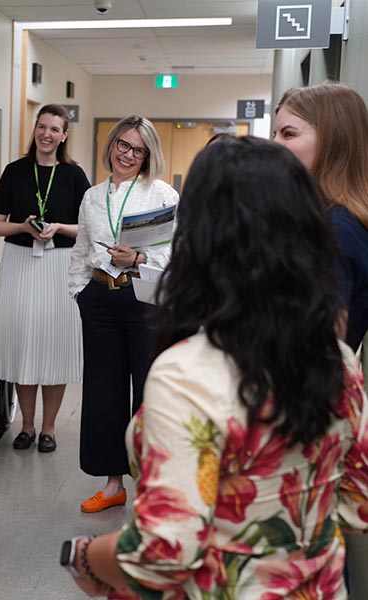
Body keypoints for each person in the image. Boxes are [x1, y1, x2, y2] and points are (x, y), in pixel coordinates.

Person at [65, 136, 368, 599]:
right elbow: (358, 505)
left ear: (201, 236)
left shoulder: (186, 375)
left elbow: (162, 556)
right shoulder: (337, 360)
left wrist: (84, 555)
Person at [67, 115, 178, 513]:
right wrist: (79, 292)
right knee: (104, 393)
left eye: (138, 151)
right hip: (99, 300)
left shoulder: (162, 194)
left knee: (149, 394)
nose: (128, 155)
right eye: (123, 145)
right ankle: (113, 483)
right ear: (112, 144)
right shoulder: (93, 197)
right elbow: (81, 249)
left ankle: (150, 488)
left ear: (148, 156)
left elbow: (176, 252)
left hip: (144, 299)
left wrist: (140, 258)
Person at [0, 104, 91, 453]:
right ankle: (27, 426)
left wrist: (58, 227)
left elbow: (89, 229)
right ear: (35, 129)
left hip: (60, 264)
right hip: (20, 263)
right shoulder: (15, 171)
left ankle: (49, 428)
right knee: (24, 344)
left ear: (64, 135)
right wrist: (23, 226)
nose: (47, 134)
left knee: (55, 345)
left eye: (54, 129)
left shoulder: (74, 175)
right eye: (42, 127)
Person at [274, 83, 368, 351]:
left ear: (332, 141)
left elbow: (316, 349)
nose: (275, 144)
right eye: (275, 134)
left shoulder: (336, 230)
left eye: (288, 134)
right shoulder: (324, 219)